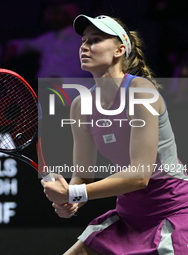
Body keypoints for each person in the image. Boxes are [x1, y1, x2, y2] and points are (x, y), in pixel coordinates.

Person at [41, 15, 188, 254]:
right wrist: (70, 200)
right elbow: (84, 175)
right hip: (129, 215)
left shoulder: (141, 92)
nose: (85, 47)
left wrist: (74, 192)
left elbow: (140, 176)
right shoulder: (81, 105)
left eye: (96, 40)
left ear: (120, 49)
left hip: (173, 212)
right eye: (83, 41)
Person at [4, 2, 88, 79]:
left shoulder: (83, 39)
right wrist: (14, 46)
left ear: (69, 15)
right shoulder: (48, 37)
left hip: (73, 89)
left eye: (57, 14)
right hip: (47, 88)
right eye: (51, 14)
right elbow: (27, 45)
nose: (52, 18)